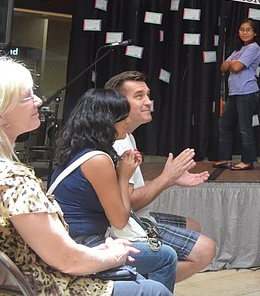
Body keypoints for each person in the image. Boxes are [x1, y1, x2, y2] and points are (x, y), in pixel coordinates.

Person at [0, 57, 170, 296]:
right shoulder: (12, 181)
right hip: (39, 287)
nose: (38, 101)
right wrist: (112, 255)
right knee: (154, 290)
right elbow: (69, 261)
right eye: (27, 97)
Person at [51, 89, 178, 291]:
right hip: (85, 244)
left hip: (74, 239)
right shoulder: (98, 160)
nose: (128, 121)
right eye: (122, 117)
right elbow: (119, 219)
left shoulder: (76, 149)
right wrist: (124, 177)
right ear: (106, 121)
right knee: (166, 257)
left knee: (163, 256)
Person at [105, 71, 216, 283]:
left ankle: (148, 280)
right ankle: (145, 285)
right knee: (205, 250)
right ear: (118, 103)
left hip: (135, 217)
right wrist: (166, 178)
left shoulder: (128, 136)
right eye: (139, 96)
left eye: (148, 95)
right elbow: (128, 204)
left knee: (192, 225)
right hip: (126, 225)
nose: (148, 102)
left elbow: (130, 188)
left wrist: (172, 179)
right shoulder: (117, 142)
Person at [215, 18, 260, 171]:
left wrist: (233, 63)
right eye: (242, 29)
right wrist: (232, 63)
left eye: (248, 30)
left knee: (244, 127)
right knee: (225, 123)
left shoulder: (253, 48)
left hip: (247, 92)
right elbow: (223, 66)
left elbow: (236, 67)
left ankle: (248, 161)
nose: (244, 32)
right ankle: (225, 158)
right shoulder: (238, 50)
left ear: (254, 33)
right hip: (235, 93)